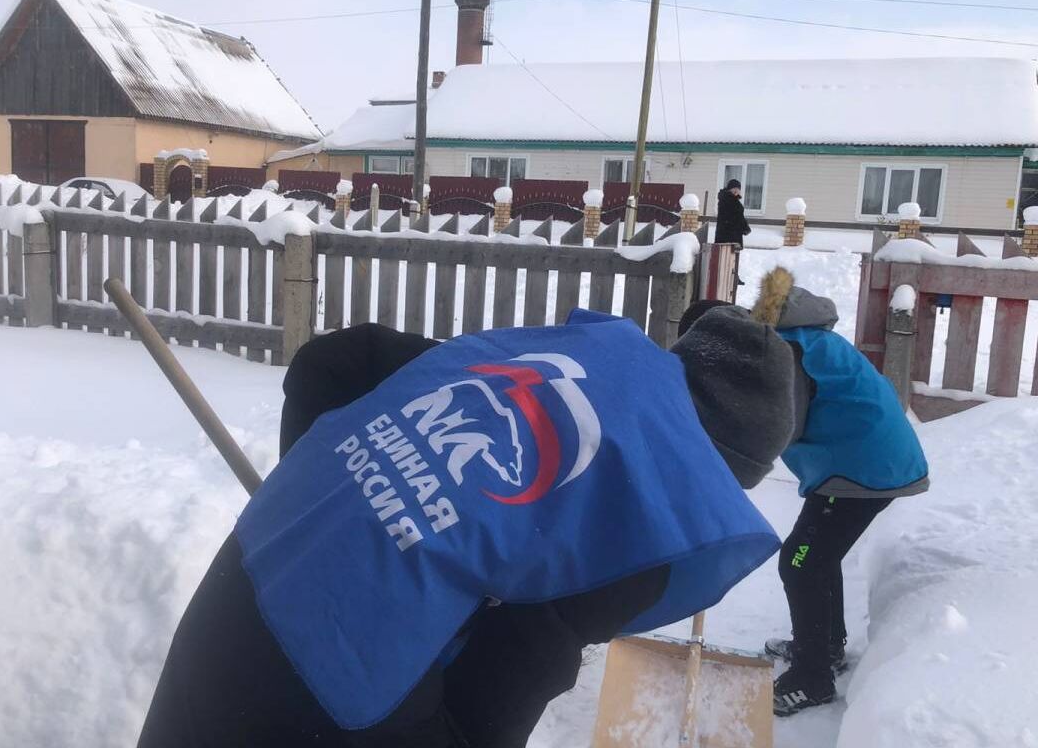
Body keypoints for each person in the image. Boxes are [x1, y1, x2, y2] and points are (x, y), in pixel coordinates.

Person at [137, 308, 799, 748]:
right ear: (719, 467)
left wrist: (345, 510)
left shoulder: (542, 364)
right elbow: (504, 689)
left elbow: (331, 364)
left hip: (247, 583)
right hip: (342, 698)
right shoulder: (645, 511)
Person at [746, 268, 930, 717]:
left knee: (800, 562)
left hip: (861, 471)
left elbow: (785, 423)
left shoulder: (791, 351)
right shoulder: (814, 341)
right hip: (866, 463)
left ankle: (812, 678)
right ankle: (825, 647)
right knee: (816, 556)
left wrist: (738, 448)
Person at [714, 178, 751, 247]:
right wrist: (744, 227)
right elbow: (734, 217)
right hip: (728, 236)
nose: (736, 190)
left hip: (732, 235)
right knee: (728, 255)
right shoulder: (727, 199)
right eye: (734, 188)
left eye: (738, 188)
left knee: (731, 256)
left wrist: (745, 226)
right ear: (729, 189)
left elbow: (738, 216)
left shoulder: (732, 199)